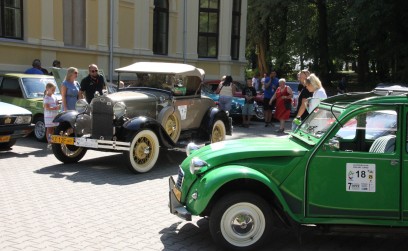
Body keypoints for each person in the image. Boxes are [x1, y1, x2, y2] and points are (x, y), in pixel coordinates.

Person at [43, 82, 60, 149]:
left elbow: (56, 103)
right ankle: (50, 142)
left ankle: (52, 141)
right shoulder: (46, 97)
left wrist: (58, 105)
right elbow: (47, 107)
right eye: (52, 90)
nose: (54, 91)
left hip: (54, 115)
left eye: (54, 90)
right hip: (49, 116)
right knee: (49, 129)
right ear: (47, 89)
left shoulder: (54, 96)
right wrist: (55, 108)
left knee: (53, 129)